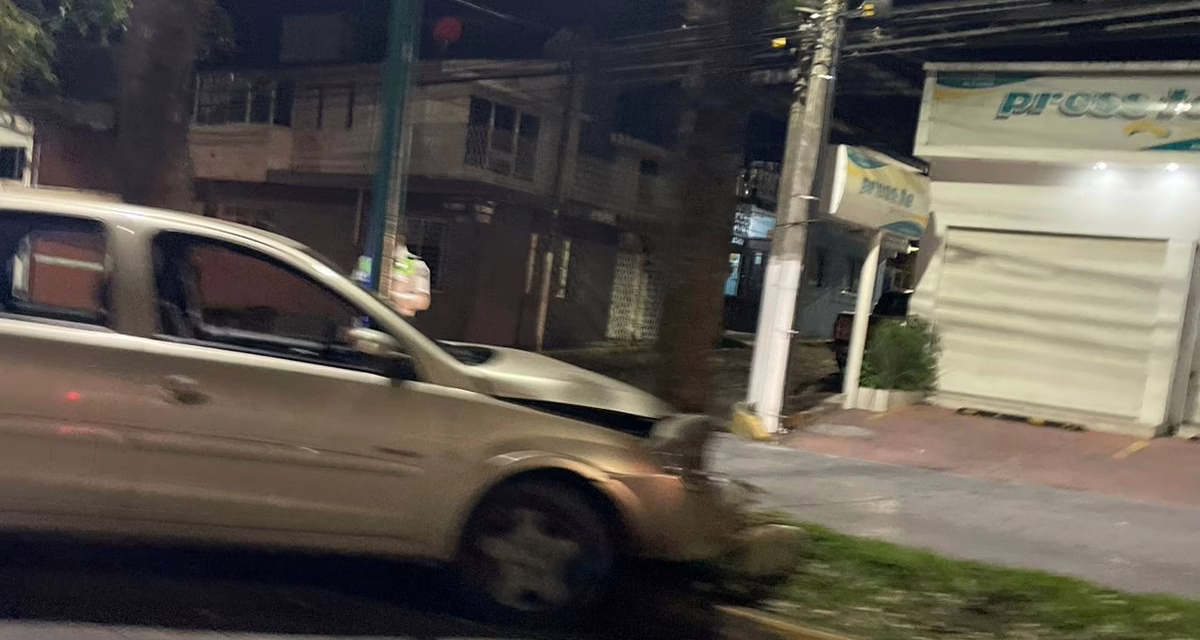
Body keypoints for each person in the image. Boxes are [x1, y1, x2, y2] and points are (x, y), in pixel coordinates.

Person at [388, 236, 431, 317]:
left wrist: (390, 295)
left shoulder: (415, 264)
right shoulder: (372, 257)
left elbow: (422, 302)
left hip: (398, 319)